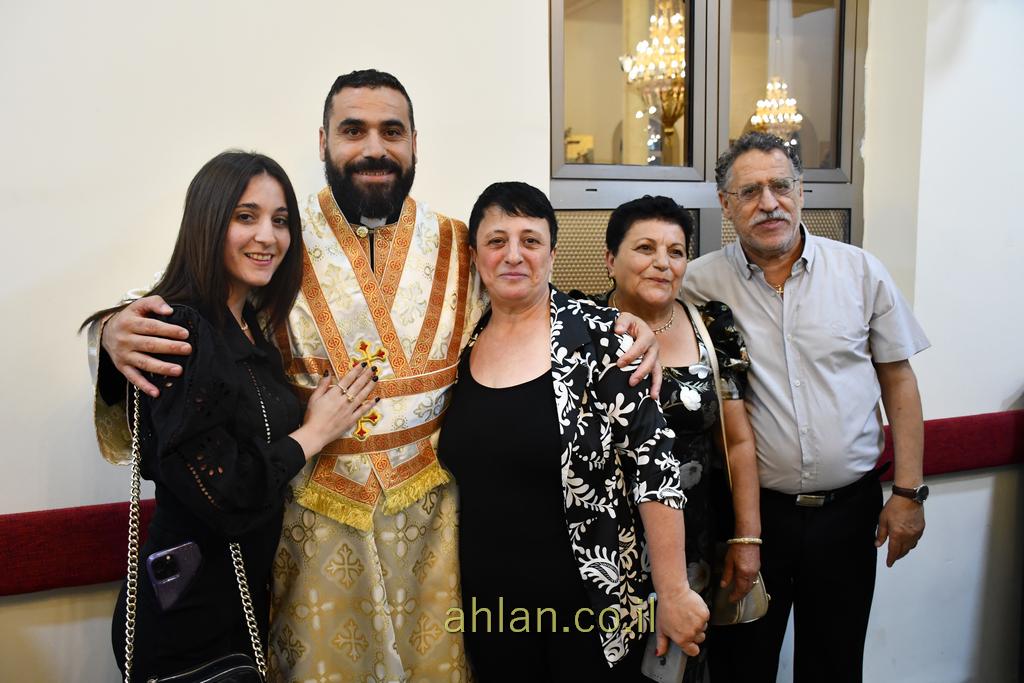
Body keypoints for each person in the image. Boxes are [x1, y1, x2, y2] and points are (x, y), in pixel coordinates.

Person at [86, 70, 662, 681]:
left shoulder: (459, 242)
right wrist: (112, 333)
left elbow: (524, 299)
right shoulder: (280, 240)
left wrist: (616, 321)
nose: (374, 149)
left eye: (391, 131)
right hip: (312, 521)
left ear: (414, 143)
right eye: (353, 131)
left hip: (435, 527)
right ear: (324, 142)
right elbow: (190, 303)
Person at [83, 151, 376, 680]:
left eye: (280, 221)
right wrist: (314, 433)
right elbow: (226, 493)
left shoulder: (249, 326)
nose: (268, 236)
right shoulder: (180, 330)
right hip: (187, 616)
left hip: (235, 602)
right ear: (208, 222)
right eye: (246, 216)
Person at [683, 132, 930, 683]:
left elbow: (899, 381)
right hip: (749, 520)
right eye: (749, 191)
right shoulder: (698, 285)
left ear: (802, 191)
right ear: (725, 204)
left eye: (780, 186)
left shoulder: (860, 272)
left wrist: (909, 493)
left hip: (849, 514)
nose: (768, 203)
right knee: (742, 667)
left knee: (835, 665)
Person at [437, 182, 709, 682]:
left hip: (589, 608)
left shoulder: (603, 338)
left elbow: (655, 467)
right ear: (475, 256)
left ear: (552, 254)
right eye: (497, 241)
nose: (513, 255)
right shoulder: (459, 343)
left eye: (531, 240)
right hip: (490, 609)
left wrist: (673, 591)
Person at [577, 195, 761, 682]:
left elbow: (738, 443)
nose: (662, 262)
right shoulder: (579, 328)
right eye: (645, 248)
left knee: (681, 668)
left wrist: (747, 538)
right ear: (610, 259)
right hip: (605, 544)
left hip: (693, 546)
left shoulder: (711, 327)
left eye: (676, 252)